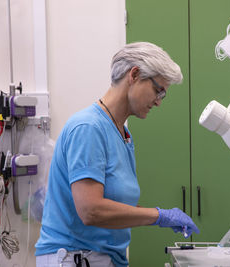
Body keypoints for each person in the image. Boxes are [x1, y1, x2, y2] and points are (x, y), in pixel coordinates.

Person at [35, 42, 199, 267]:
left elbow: (114, 206)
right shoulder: (88, 128)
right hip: (75, 257)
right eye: (158, 90)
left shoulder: (122, 134)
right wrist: (158, 216)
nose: (159, 101)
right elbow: (91, 210)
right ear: (134, 74)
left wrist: (158, 217)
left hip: (100, 258)